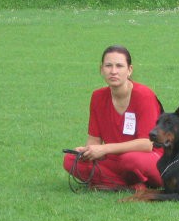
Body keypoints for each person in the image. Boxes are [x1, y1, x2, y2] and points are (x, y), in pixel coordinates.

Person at [63, 45, 163, 191]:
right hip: (113, 158)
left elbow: (147, 144)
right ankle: (129, 185)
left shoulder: (144, 95)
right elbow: (94, 141)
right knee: (71, 160)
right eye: (108, 66)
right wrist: (87, 151)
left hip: (148, 158)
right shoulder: (97, 97)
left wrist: (104, 149)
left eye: (119, 66)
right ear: (101, 69)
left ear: (129, 70)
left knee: (130, 160)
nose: (113, 71)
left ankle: (113, 183)